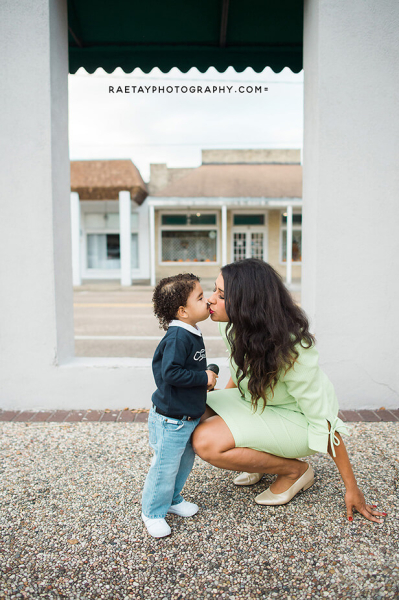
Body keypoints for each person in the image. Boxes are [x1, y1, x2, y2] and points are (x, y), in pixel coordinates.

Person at [192, 259, 387, 524]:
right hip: (261, 405)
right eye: (214, 290)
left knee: (206, 441)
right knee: (193, 406)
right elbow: (241, 373)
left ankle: (295, 470)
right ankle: (257, 461)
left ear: (247, 303)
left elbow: (324, 419)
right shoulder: (230, 326)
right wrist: (217, 403)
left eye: (221, 295)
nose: (211, 300)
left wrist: (352, 487)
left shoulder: (292, 348)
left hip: (298, 421)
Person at [141, 273, 218, 538]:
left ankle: (172, 499)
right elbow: (171, 373)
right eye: (200, 297)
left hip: (186, 417)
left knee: (183, 463)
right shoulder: (177, 337)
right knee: (164, 466)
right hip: (170, 419)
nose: (207, 299)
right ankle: (152, 511)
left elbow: (186, 368)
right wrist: (202, 377)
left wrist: (204, 375)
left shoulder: (191, 331)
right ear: (183, 311)